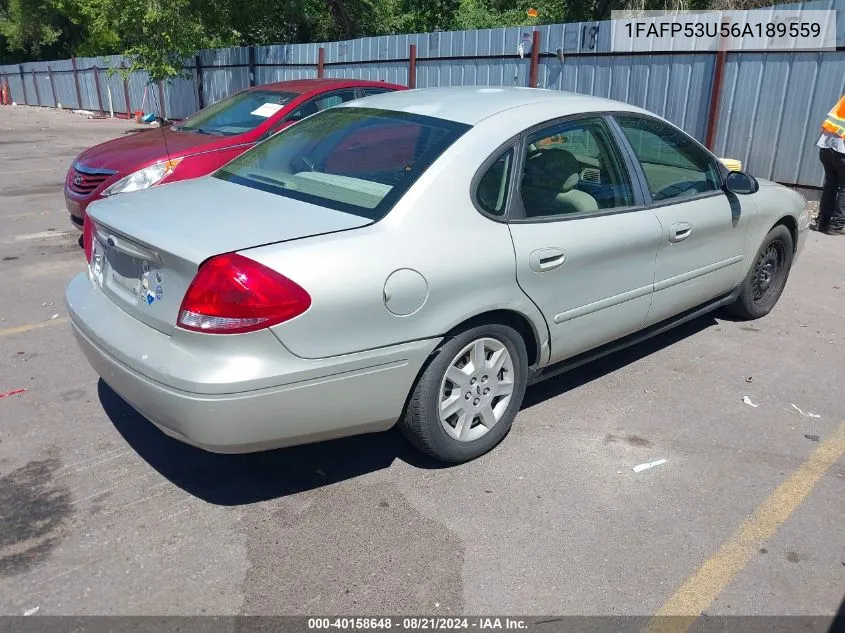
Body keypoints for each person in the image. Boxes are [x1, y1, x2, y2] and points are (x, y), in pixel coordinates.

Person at [813, 94, 845, 235]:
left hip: (826, 148)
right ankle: (836, 225)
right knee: (844, 187)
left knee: (831, 184)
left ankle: (822, 222)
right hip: (842, 151)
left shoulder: (842, 102)